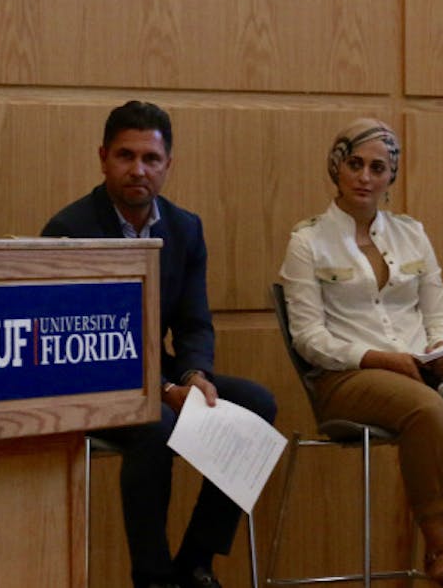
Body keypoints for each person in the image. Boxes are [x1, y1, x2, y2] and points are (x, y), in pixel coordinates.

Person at [42, 100, 277, 588]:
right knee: (158, 423)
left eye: (151, 159)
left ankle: (195, 563)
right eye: (125, 156)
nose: (138, 170)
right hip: (88, 378)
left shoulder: (185, 227)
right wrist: (167, 389)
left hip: (159, 373)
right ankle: (152, 576)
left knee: (256, 404)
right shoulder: (69, 230)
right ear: (103, 158)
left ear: (168, 164)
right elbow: (76, 343)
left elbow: (193, 323)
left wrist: (195, 376)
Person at [279, 118, 443, 588]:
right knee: (426, 409)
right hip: (345, 377)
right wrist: (378, 359)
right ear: (336, 168)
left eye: (378, 168)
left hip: (419, 368)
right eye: (355, 164)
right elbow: (308, 338)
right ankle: (439, 548)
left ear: (391, 177)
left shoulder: (411, 234)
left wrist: (442, 349)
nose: (365, 177)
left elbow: (438, 312)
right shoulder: (307, 241)